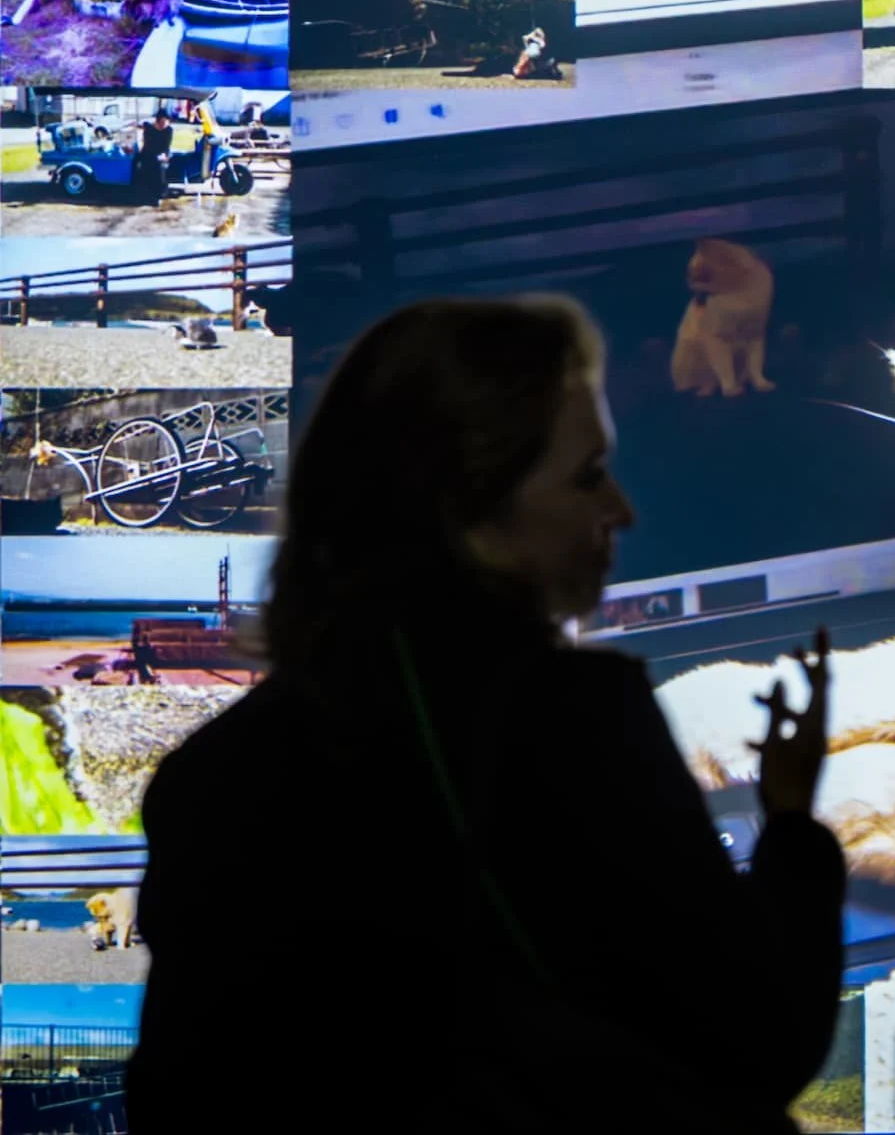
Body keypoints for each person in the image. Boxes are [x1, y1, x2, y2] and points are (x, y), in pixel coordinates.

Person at [129, 295, 848, 1132]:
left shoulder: (208, 777)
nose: (620, 510)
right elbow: (759, 1042)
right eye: (585, 475)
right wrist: (793, 829)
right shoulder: (574, 721)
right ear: (469, 509)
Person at [136, 109, 174, 206]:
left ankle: (158, 194)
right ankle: (143, 193)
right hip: (148, 153)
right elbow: (147, 145)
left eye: (166, 122)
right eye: (162, 122)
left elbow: (166, 146)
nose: (164, 124)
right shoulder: (149, 128)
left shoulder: (168, 130)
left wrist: (164, 155)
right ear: (157, 121)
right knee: (142, 165)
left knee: (159, 168)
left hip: (161, 154)